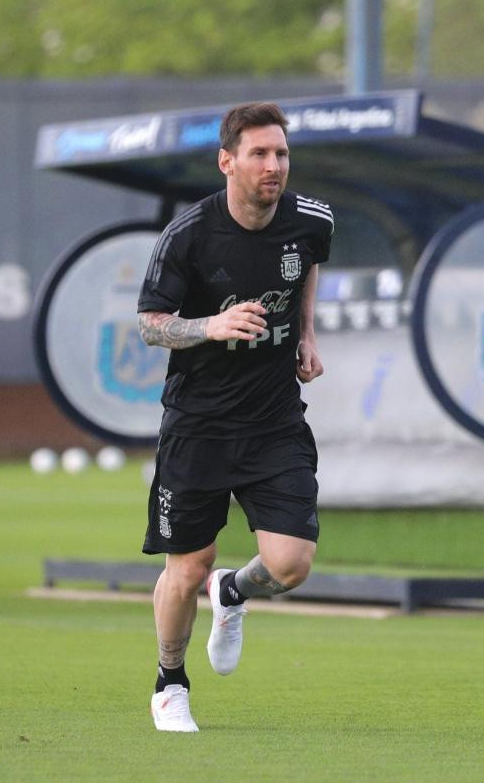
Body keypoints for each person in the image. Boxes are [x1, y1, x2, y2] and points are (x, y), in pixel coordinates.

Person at [137, 102, 334, 732]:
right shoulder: (189, 234)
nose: (273, 165)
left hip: (274, 420)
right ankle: (170, 682)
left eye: (280, 153)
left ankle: (235, 593)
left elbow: (306, 271)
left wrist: (305, 334)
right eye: (259, 154)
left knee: (291, 564)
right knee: (186, 566)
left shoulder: (313, 220)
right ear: (227, 162)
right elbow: (149, 326)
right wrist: (211, 326)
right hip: (197, 424)